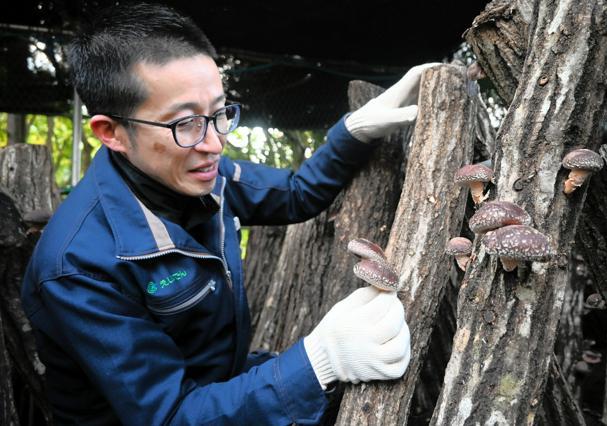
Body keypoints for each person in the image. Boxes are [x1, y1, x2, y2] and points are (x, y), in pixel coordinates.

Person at [21, 3, 435, 425]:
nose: (215, 143)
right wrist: (317, 363)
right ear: (112, 133)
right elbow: (169, 415)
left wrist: (351, 133)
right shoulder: (78, 268)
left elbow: (294, 194)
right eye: (185, 124)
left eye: (219, 113)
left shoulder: (198, 173)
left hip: (224, 388)